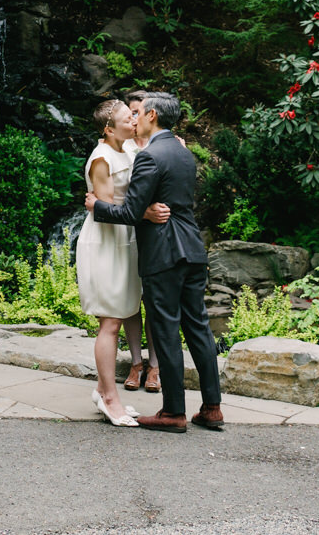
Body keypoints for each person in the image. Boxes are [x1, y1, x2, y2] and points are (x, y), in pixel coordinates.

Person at [86, 91, 224, 433]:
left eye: (140, 113)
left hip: (164, 252)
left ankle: (173, 412)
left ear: (152, 116)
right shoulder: (182, 152)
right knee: (198, 328)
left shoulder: (150, 156)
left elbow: (133, 212)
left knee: (165, 329)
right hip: (192, 248)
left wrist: (94, 206)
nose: (136, 117)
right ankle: (212, 407)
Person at [77, 99, 170, 426]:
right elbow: (105, 208)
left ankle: (103, 391)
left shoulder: (129, 148)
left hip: (126, 241)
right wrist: (145, 212)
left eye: (133, 115)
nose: (133, 120)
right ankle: (109, 398)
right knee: (111, 322)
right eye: (125, 117)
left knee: (122, 312)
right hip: (105, 242)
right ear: (108, 128)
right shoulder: (101, 158)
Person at [120, 89, 159, 393]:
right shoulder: (118, 147)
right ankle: (136, 363)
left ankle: (155, 366)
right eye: (130, 112)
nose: (134, 118)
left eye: (138, 112)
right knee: (130, 301)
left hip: (156, 236)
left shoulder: (164, 146)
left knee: (154, 301)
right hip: (126, 234)